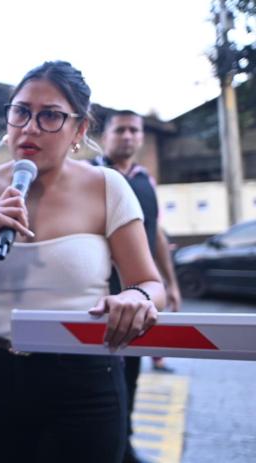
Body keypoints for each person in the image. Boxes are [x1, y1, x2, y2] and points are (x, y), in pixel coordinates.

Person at [0, 61, 166, 463]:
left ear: (80, 129)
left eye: (51, 116)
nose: (31, 127)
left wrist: (136, 299)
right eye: (21, 111)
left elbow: (148, 282)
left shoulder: (107, 187)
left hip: (87, 380)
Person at [96, 110, 182, 463]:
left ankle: (124, 445)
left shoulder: (146, 181)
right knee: (105, 375)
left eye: (135, 130)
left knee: (132, 371)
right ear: (105, 136)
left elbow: (156, 234)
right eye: (121, 130)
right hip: (102, 295)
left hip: (141, 292)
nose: (128, 137)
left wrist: (169, 282)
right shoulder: (93, 176)